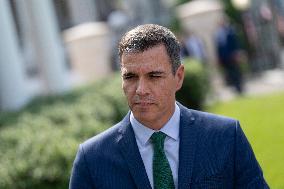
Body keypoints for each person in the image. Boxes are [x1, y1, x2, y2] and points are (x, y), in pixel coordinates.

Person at [69, 24, 269, 189]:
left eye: (154, 76)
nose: (141, 89)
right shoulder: (92, 159)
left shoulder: (226, 136)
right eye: (130, 77)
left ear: (179, 77)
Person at [215, 19, 244, 93]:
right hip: (225, 58)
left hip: (233, 56)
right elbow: (219, 48)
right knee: (230, 73)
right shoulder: (218, 34)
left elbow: (235, 43)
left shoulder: (231, 31)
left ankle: (239, 87)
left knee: (236, 71)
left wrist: (237, 53)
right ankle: (235, 86)